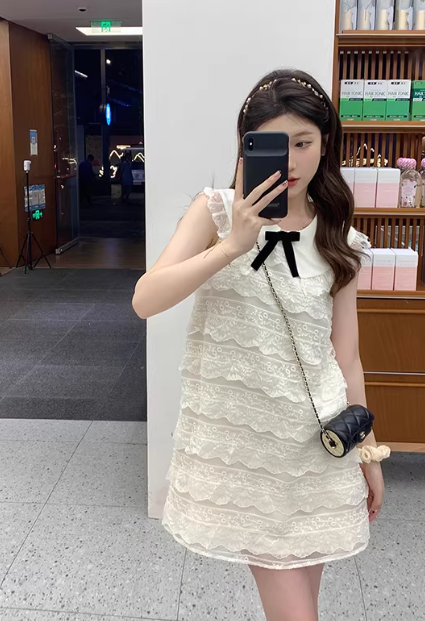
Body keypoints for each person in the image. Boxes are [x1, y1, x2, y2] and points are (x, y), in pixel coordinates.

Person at [132, 69, 389, 621]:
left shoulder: (337, 234)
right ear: (247, 145)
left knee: (305, 601)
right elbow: (145, 300)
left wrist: (368, 452)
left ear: (326, 143)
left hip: (318, 445)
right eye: (274, 144)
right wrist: (232, 246)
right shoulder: (215, 212)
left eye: (304, 142)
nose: (290, 161)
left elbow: (346, 357)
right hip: (248, 453)